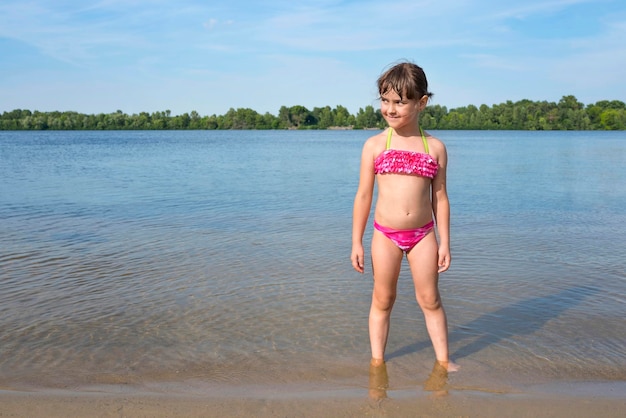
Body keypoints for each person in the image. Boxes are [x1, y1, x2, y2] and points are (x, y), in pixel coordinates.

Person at [351, 62, 458, 372]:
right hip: (385, 235)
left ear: (421, 102)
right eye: (385, 100)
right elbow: (363, 196)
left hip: (424, 235)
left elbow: (440, 197)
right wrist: (356, 241)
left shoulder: (435, 148)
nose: (391, 109)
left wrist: (445, 242)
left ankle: (444, 361)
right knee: (383, 299)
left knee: (430, 299)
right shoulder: (374, 146)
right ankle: (377, 362)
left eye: (400, 102)